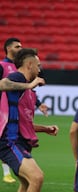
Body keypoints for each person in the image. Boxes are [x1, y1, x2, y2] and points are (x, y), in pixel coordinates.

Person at [0, 48, 59, 192]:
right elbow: (3, 83)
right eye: (38, 65)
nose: (40, 69)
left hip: (21, 140)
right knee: (37, 177)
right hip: (9, 141)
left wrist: (45, 129)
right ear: (29, 65)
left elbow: (26, 122)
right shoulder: (16, 77)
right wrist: (30, 83)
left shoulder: (30, 93)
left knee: (26, 183)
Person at [0, 37, 49, 183]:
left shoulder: (20, 71)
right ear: (8, 48)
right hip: (5, 113)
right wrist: (28, 86)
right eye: (17, 46)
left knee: (27, 182)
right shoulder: (4, 67)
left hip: (13, 119)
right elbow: (2, 84)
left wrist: (38, 103)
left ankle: (7, 173)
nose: (20, 48)